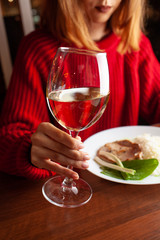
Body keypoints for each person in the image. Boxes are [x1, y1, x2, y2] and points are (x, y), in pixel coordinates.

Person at [0, 0, 160, 180]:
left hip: (118, 185)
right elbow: (7, 141)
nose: (107, 1)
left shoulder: (135, 45)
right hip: (57, 185)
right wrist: (29, 150)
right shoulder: (37, 48)